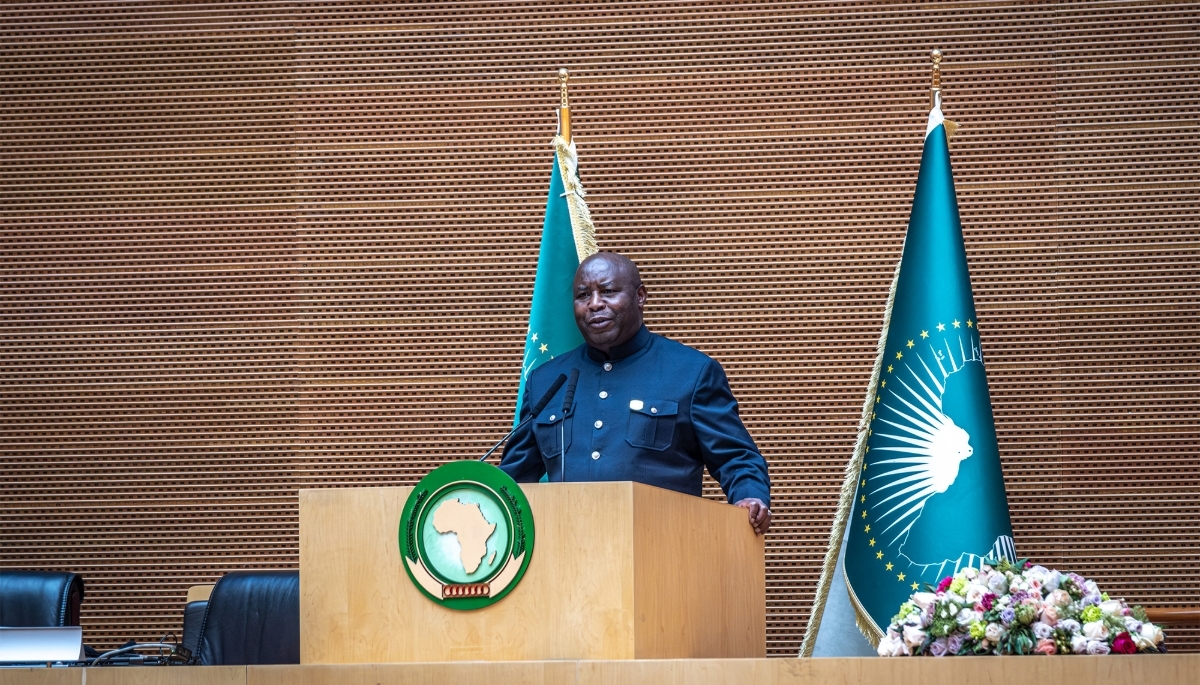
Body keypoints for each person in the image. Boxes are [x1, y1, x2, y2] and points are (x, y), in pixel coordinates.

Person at [500, 252, 772, 534]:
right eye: (583, 295)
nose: (594, 304)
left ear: (640, 296)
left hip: (660, 551)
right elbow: (513, 477)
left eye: (608, 291)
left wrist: (749, 496)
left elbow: (736, 457)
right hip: (565, 550)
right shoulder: (547, 380)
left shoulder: (691, 372)